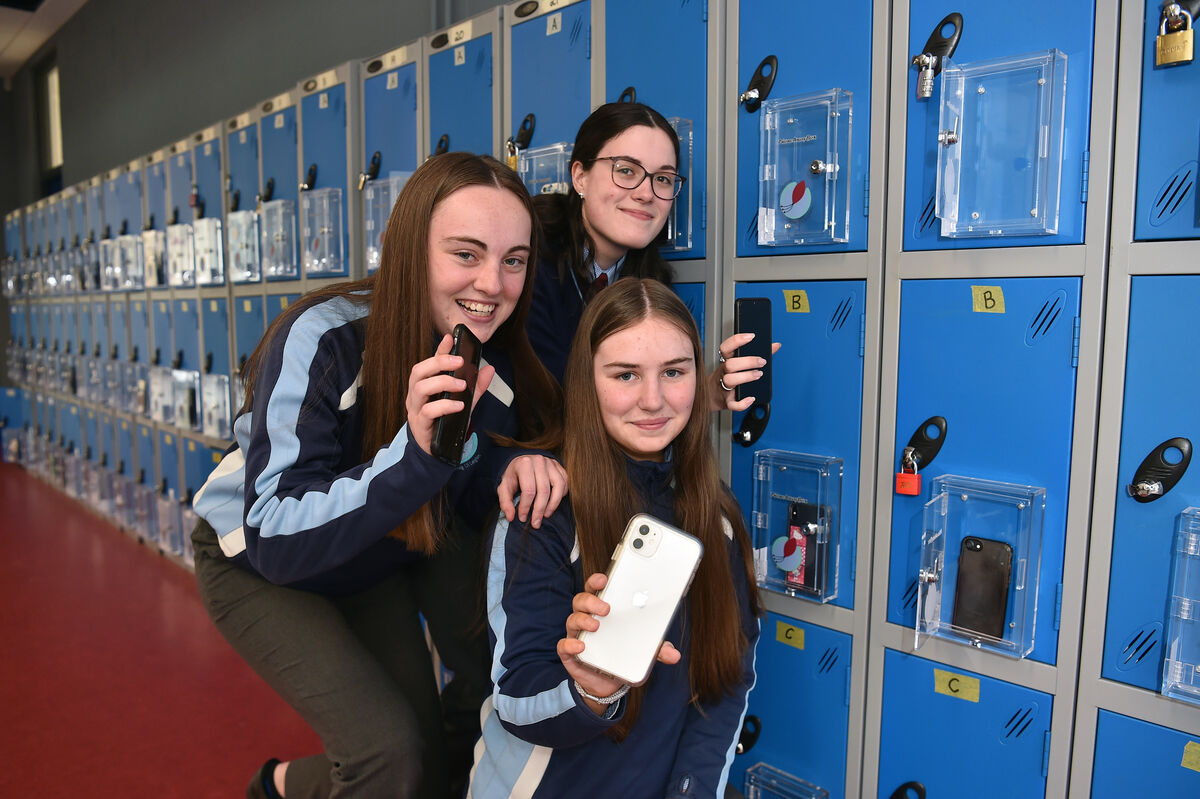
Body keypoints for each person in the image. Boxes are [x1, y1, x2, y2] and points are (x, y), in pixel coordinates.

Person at [190, 152, 566, 799]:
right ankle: (277, 786)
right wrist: (415, 455)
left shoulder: (488, 353)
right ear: (409, 249)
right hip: (255, 562)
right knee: (387, 754)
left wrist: (510, 462)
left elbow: (466, 472)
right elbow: (274, 533)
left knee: (476, 708)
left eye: (513, 259)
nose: (494, 284)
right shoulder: (322, 338)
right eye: (466, 254)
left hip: (378, 547)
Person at [469, 278, 763, 798]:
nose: (653, 400)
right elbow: (515, 701)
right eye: (625, 374)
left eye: (674, 372)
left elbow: (725, 683)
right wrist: (589, 691)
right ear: (588, 381)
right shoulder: (545, 507)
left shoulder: (717, 516)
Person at [528, 101, 774, 411]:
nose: (646, 194)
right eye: (626, 170)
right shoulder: (527, 261)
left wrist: (710, 393)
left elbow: (643, 402)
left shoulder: (650, 282)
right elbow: (544, 400)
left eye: (662, 179)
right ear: (580, 177)